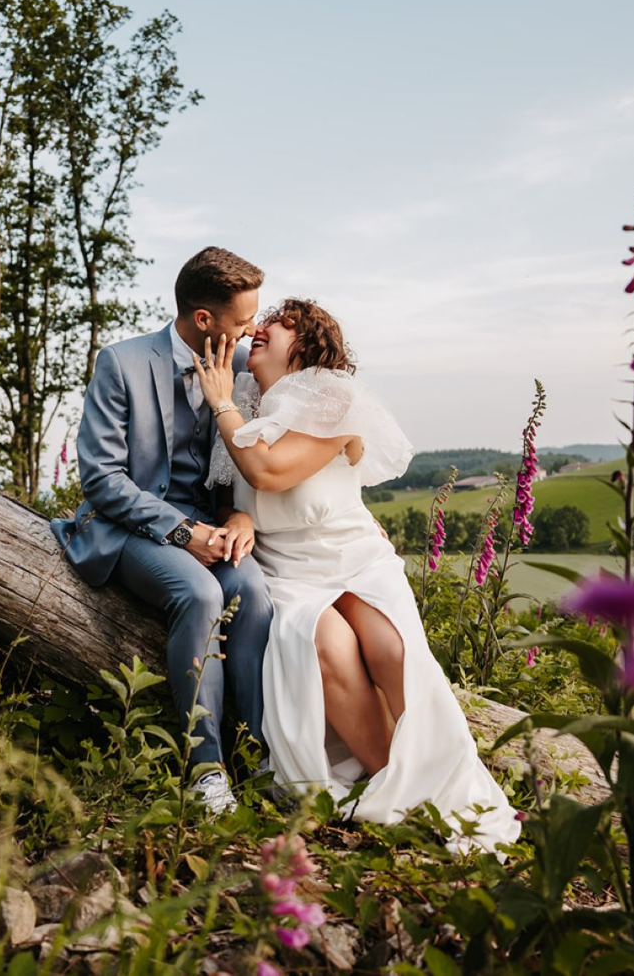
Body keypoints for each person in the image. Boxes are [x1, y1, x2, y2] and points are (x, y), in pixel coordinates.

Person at [192, 298, 521, 855]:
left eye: (279, 322)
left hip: (353, 555)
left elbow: (270, 471)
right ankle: (394, 785)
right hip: (288, 570)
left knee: (392, 652)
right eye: (262, 320)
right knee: (329, 649)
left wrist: (221, 403)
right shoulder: (246, 406)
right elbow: (239, 494)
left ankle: (452, 792)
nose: (261, 328)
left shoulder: (330, 395)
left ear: (310, 342)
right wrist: (238, 515)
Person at [51, 247, 275, 816]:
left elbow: (249, 458)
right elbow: (102, 478)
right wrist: (183, 533)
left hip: (212, 526)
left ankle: (256, 756)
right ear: (204, 319)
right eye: (244, 320)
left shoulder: (245, 364)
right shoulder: (122, 363)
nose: (252, 330)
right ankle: (206, 771)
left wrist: (240, 514)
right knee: (200, 593)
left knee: (251, 593)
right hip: (130, 526)